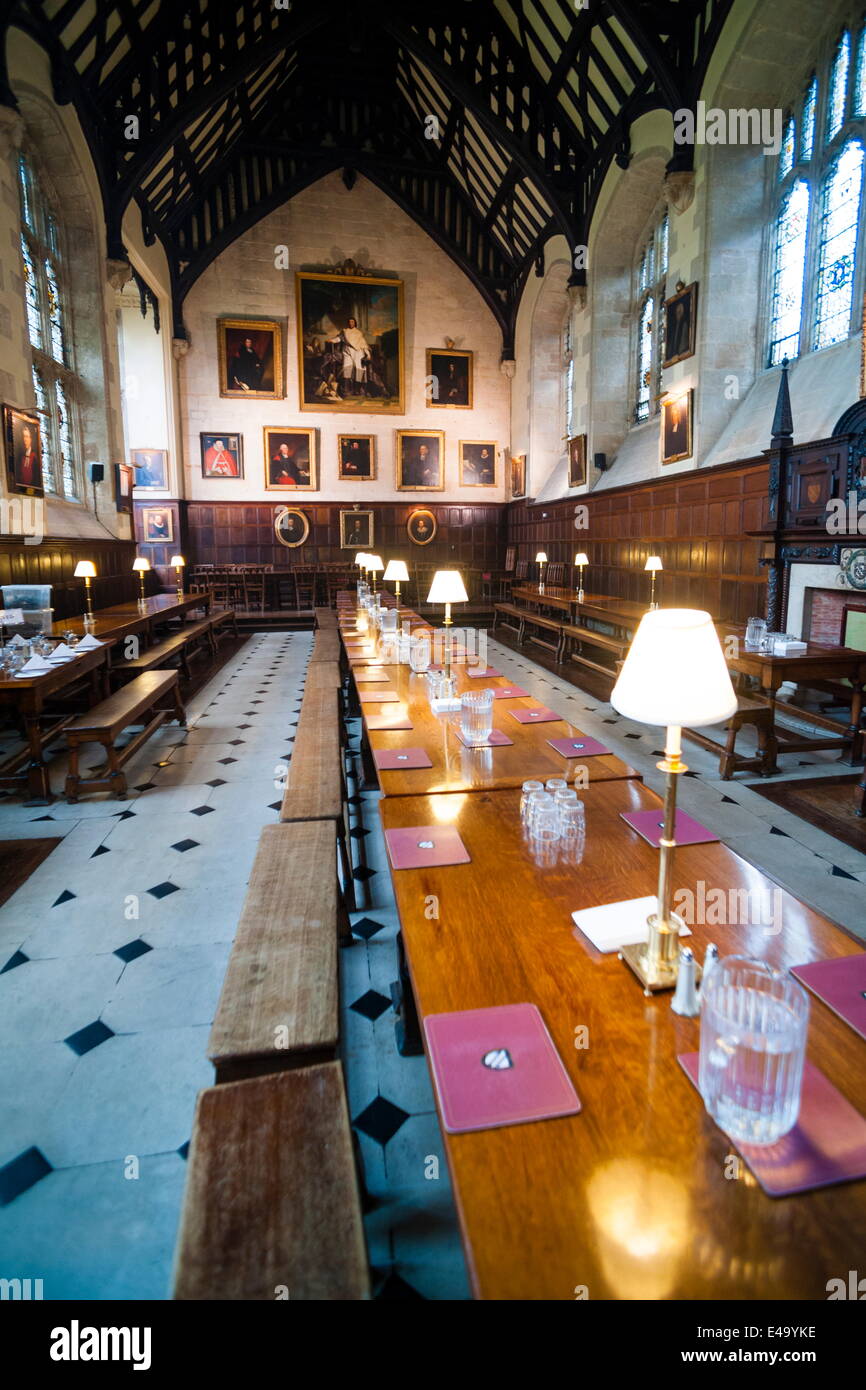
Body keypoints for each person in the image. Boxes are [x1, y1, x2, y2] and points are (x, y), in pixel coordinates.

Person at [328, 317, 371, 397]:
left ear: (355, 323)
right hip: (347, 352)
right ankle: (346, 390)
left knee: (358, 369)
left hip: (357, 352)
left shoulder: (358, 333)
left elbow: (363, 344)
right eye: (350, 322)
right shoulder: (344, 331)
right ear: (348, 323)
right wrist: (331, 340)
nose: (351, 323)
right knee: (346, 368)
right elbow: (338, 339)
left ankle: (357, 390)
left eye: (353, 322)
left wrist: (367, 353)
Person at [16, 424, 40, 489]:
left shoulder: (34, 457)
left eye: (27, 436)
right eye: (24, 436)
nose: (25, 439)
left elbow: (36, 477)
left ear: (31, 439)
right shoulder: (21, 456)